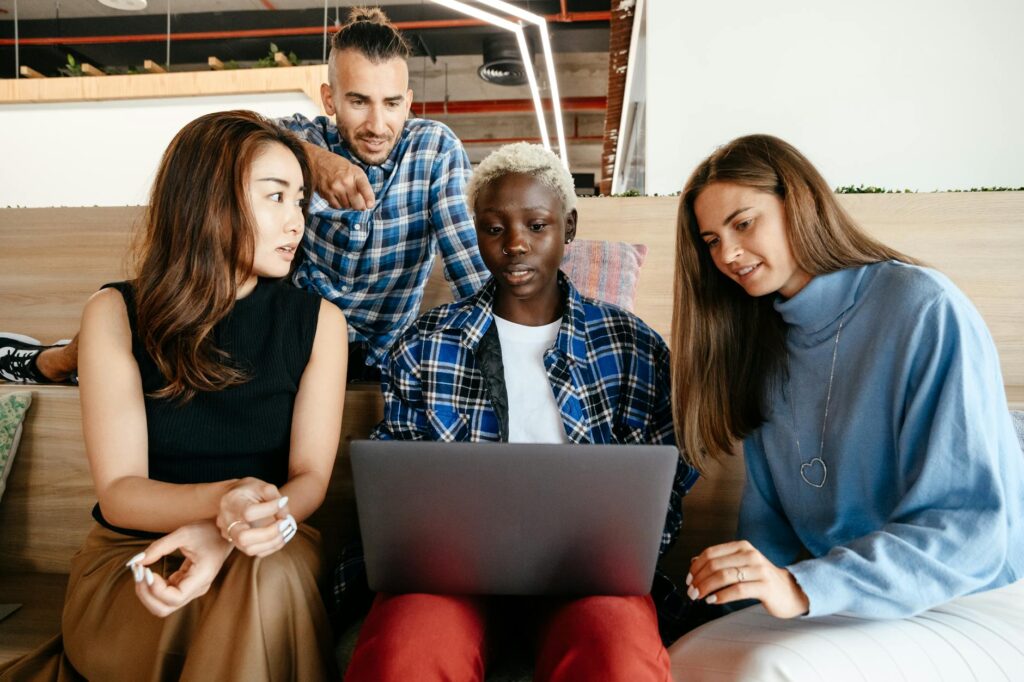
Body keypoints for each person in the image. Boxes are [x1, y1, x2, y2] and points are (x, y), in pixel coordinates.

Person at [0, 110, 348, 681]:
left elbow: (309, 478)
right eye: (276, 197)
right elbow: (120, 493)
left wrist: (228, 534)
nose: (297, 222)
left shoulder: (320, 324)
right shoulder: (114, 313)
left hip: (274, 543)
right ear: (210, 200)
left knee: (269, 576)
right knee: (249, 594)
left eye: (301, 200)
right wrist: (227, 500)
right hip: (136, 555)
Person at [667, 134, 1024, 679]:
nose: (728, 255)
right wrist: (739, 587)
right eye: (712, 240)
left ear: (800, 202)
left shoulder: (924, 306)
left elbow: (968, 529)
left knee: (766, 670)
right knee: (678, 662)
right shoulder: (762, 342)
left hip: (967, 592)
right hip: (833, 598)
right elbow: (772, 532)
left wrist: (803, 586)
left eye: (743, 223)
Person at [342, 143, 698, 682]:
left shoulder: (632, 346)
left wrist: (624, 549)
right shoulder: (424, 343)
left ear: (569, 227)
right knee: (406, 651)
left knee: (618, 652)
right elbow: (399, 488)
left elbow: (664, 487)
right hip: (449, 579)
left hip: (587, 581)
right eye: (493, 229)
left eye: (536, 226)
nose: (515, 245)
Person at [0, 6, 487, 385]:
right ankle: (51, 359)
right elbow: (229, 136)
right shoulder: (296, 137)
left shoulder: (434, 149)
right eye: (358, 102)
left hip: (380, 358)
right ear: (330, 99)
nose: (378, 125)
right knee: (153, 329)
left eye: (393, 103)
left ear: (410, 102)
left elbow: (470, 270)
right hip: (283, 340)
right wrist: (312, 160)